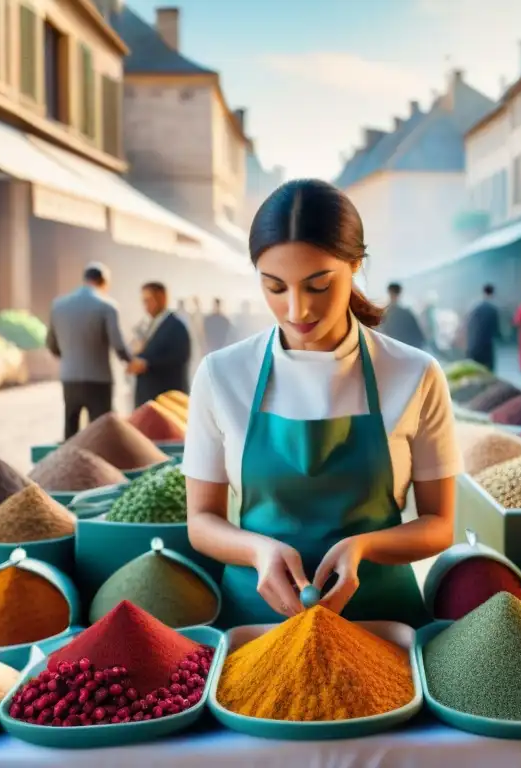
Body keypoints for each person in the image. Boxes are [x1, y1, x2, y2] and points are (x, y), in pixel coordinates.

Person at [182, 179, 462, 628]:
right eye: (275, 287)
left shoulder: (415, 373)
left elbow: (439, 523)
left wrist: (365, 547)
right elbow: (201, 520)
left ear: (355, 266)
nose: (297, 310)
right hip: (257, 625)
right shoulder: (222, 375)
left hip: (379, 621)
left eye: (317, 285)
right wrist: (259, 551)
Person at [46, 262, 132, 439]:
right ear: (104, 282)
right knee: (101, 432)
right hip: (99, 379)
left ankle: (69, 464)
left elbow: (51, 344)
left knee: (71, 429)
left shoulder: (58, 305)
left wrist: (70, 357)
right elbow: (118, 345)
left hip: (69, 378)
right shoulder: (107, 306)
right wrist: (131, 361)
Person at [128, 282, 192, 407]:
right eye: (144, 301)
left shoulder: (176, 326)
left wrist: (147, 364)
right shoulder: (147, 325)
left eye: (148, 300)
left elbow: (180, 357)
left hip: (166, 399)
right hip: (148, 399)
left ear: (162, 298)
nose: (145, 306)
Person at [464, 284, 501, 371]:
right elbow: (496, 330)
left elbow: (468, 324)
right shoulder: (493, 309)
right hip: (487, 344)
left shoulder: (474, 307)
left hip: (473, 344)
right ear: (492, 294)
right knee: (488, 369)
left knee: (475, 369)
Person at [378, 283, 425, 349]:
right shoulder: (406, 312)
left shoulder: (386, 312)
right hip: (404, 348)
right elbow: (419, 337)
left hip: (394, 348)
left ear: (389, 292)